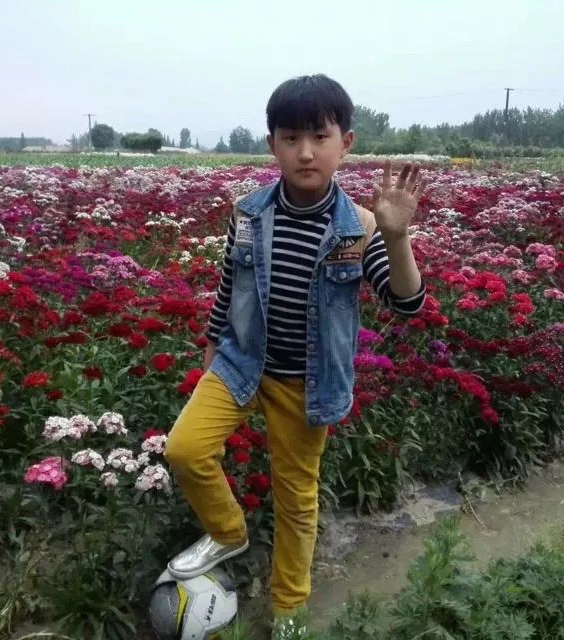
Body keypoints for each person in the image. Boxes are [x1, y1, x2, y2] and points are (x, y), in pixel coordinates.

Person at [164, 74, 427, 639]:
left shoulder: (358, 227)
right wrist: (211, 349)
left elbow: (405, 303)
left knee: (296, 500)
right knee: (184, 449)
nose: (306, 152)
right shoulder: (248, 212)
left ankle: (288, 608)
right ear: (272, 145)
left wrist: (397, 236)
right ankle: (228, 532)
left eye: (319, 136)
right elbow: (228, 286)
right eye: (290, 138)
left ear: (345, 143)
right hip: (239, 363)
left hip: (306, 384)